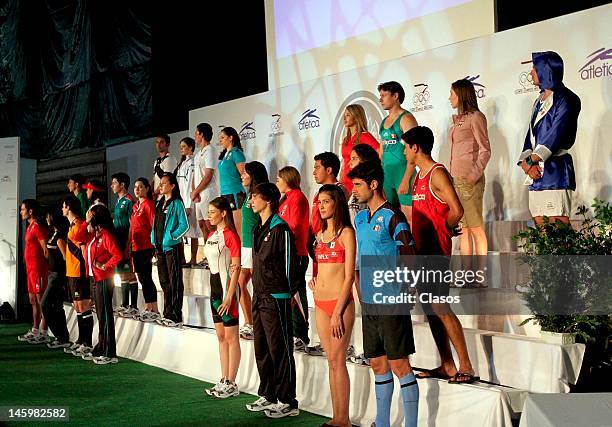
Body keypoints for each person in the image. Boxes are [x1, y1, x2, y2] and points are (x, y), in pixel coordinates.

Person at [403, 126, 478, 385]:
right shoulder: (419, 176)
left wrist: (444, 229)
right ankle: (447, 364)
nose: (404, 152)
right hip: (422, 252)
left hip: (436, 251)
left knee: (440, 306)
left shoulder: (437, 173)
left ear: (415, 148)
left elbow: (456, 209)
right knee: (430, 309)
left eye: (406, 147)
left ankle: (466, 365)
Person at [348, 161, 419, 427]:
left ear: (373, 184)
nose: (353, 191)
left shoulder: (393, 217)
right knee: (377, 363)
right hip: (368, 302)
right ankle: (382, 422)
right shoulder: (360, 218)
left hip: (391, 300)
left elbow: (409, 255)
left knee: (400, 365)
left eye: (357, 185)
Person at [246, 183, 300, 419]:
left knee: (280, 350)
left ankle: (288, 400)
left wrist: (287, 294)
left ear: (268, 200)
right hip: (259, 297)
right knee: (262, 349)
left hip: (276, 297)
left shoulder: (282, 230)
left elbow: (291, 266)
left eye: (255, 197)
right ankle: (268, 394)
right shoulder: (258, 229)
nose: (251, 201)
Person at [309, 184, 356, 427]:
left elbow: (349, 277)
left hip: (340, 305)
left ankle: (343, 420)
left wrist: (338, 311)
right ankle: (337, 417)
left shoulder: (346, 233)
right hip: (320, 303)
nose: (322, 206)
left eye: (326, 201)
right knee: (331, 361)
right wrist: (315, 280)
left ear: (337, 203)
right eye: (319, 202)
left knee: (338, 361)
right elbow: (322, 268)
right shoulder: (319, 235)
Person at [518, 51, 581, 226]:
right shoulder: (539, 101)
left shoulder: (567, 99)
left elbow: (555, 135)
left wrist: (531, 160)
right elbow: (530, 136)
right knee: (541, 226)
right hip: (537, 173)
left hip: (556, 171)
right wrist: (526, 162)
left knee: (557, 227)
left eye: (534, 68)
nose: (531, 72)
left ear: (546, 70)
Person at [203, 197, 242, 398]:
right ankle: (224, 378)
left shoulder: (231, 236)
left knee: (231, 336)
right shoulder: (211, 234)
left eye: (212, 211)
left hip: (228, 290)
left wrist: (230, 296)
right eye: (208, 212)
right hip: (215, 290)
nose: (209, 215)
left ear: (223, 213)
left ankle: (232, 382)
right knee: (220, 336)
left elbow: (236, 267)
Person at [448, 78, 491, 257]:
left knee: (476, 228)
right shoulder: (458, 120)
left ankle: (480, 276)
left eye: (452, 94)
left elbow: (485, 150)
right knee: (463, 230)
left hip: (469, 181)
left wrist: (473, 175)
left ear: (461, 95)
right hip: (456, 179)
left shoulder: (476, 117)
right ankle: (468, 276)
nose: (449, 98)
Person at [79, 204, 123, 364]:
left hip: (104, 279)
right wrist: (86, 222)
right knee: (100, 315)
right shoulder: (93, 235)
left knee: (105, 315)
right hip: (94, 279)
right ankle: (101, 346)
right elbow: (78, 236)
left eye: (91, 214)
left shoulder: (105, 235)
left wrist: (105, 266)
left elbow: (118, 255)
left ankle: (110, 352)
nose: (88, 216)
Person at [276, 166, 312, 352]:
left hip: (296, 253)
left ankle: (301, 335)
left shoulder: (297, 197)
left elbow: (295, 225)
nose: (277, 181)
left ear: (288, 179)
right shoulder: (285, 199)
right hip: (286, 252)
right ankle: (292, 332)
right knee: (289, 292)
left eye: (279, 178)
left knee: (297, 294)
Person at [378, 81, 418, 226]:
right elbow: (381, 153)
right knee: (391, 218)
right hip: (387, 175)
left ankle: (414, 248)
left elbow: (415, 151)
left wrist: (406, 179)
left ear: (395, 96)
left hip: (403, 172)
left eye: (384, 95)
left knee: (410, 217)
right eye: (379, 95)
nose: (380, 99)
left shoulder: (406, 118)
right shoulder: (383, 122)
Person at [151, 172, 189, 327]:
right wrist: (154, 238)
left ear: (172, 186)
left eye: (164, 183)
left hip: (171, 248)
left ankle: (175, 314)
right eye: (160, 183)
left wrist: (173, 237)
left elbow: (184, 225)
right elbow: (156, 223)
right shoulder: (160, 203)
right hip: (159, 247)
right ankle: (167, 312)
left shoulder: (177, 203)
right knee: (164, 281)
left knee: (175, 281)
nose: (161, 185)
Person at [237, 161, 269, 339]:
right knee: (240, 284)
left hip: (256, 247)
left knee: (257, 286)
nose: (242, 176)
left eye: (245, 174)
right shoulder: (249, 195)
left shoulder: (261, 195)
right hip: (246, 247)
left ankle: (259, 324)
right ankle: (250, 323)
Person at [62, 195, 94, 357]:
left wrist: (87, 272)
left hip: (79, 272)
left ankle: (87, 342)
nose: (62, 209)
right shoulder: (72, 226)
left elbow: (83, 249)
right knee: (77, 307)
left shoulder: (80, 225)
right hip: (71, 272)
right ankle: (82, 340)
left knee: (84, 306)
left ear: (69, 207)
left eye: (63, 206)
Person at [17, 199, 50, 344]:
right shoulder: (30, 226)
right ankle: (35, 329)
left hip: (38, 269)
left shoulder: (37, 227)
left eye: (23, 209)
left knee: (40, 300)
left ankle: (44, 332)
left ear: (30, 211)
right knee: (32, 300)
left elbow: (46, 249)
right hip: (30, 270)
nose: (21, 212)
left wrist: (48, 268)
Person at [130, 178, 160, 322]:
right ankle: (149, 307)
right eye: (136, 187)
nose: (137, 189)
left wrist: (154, 246)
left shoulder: (148, 205)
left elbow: (153, 225)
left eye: (141, 187)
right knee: (141, 277)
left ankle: (154, 308)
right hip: (136, 247)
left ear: (147, 189)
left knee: (146, 277)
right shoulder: (135, 206)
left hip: (146, 247)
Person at [42, 206, 71, 348]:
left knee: (45, 304)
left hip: (58, 275)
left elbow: (66, 257)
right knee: (57, 307)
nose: (47, 218)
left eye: (48, 216)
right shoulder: (53, 232)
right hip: (52, 274)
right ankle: (63, 338)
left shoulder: (59, 236)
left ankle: (60, 336)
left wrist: (65, 278)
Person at [191, 123, 219, 267]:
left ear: (201, 134)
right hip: (198, 195)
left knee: (210, 223)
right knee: (202, 224)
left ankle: (218, 253)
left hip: (208, 193)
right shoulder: (198, 154)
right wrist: (193, 191)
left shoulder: (210, 150)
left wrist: (197, 191)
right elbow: (196, 175)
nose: (195, 136)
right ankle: (209, 254)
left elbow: (208, 175)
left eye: (196, 133)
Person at [110, 172, 137, 316]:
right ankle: (125, 304)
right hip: (118, 240)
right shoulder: (119, 201)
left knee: (128, 272)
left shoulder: (129, 200)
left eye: (114, 183)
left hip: (126, 240)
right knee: (122, 272)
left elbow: (132, 224)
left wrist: (128, 243)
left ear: (122, 185)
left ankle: (132, 306)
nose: (112, 186)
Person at [340, 104, 380, 192]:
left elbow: (380, 153)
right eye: (344, 115)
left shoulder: (365, 136)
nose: (344, 118)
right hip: (345, 181)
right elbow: (344, 161)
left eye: (348, 115)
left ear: (356, 116)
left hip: (359, 181)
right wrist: (341, 178)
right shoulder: (345, 140)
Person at [175, 136, 202, 267]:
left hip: (189, 201)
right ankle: (182, 258)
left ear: (191, 147)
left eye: (184, 147)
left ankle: (193, 259)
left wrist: (189, 203)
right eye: (180, 147)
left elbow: (191, 184)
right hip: (180, 200)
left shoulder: (194, 162)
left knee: (193, 232)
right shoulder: (182, 163)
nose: (181, 149)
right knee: (181, 231)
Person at [218, 127, 246, 237]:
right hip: (224, 194)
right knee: (228, 228)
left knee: (238, 229)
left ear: (230, 138)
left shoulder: (237, 153)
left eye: (223, 137)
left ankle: (242, 253)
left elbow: (243, 175)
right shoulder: (224, 155)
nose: (220, 140)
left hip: (235, 194)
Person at [152, 134, 178, 198]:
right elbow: (154, 179)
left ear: (167, 144)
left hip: (166, 197)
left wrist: (155, 193)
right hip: (157, 197)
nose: (158, 145)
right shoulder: (157, 161)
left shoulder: (170, 159)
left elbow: (167, 180)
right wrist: (150, 193)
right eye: (157, 142)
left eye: (161, 142)